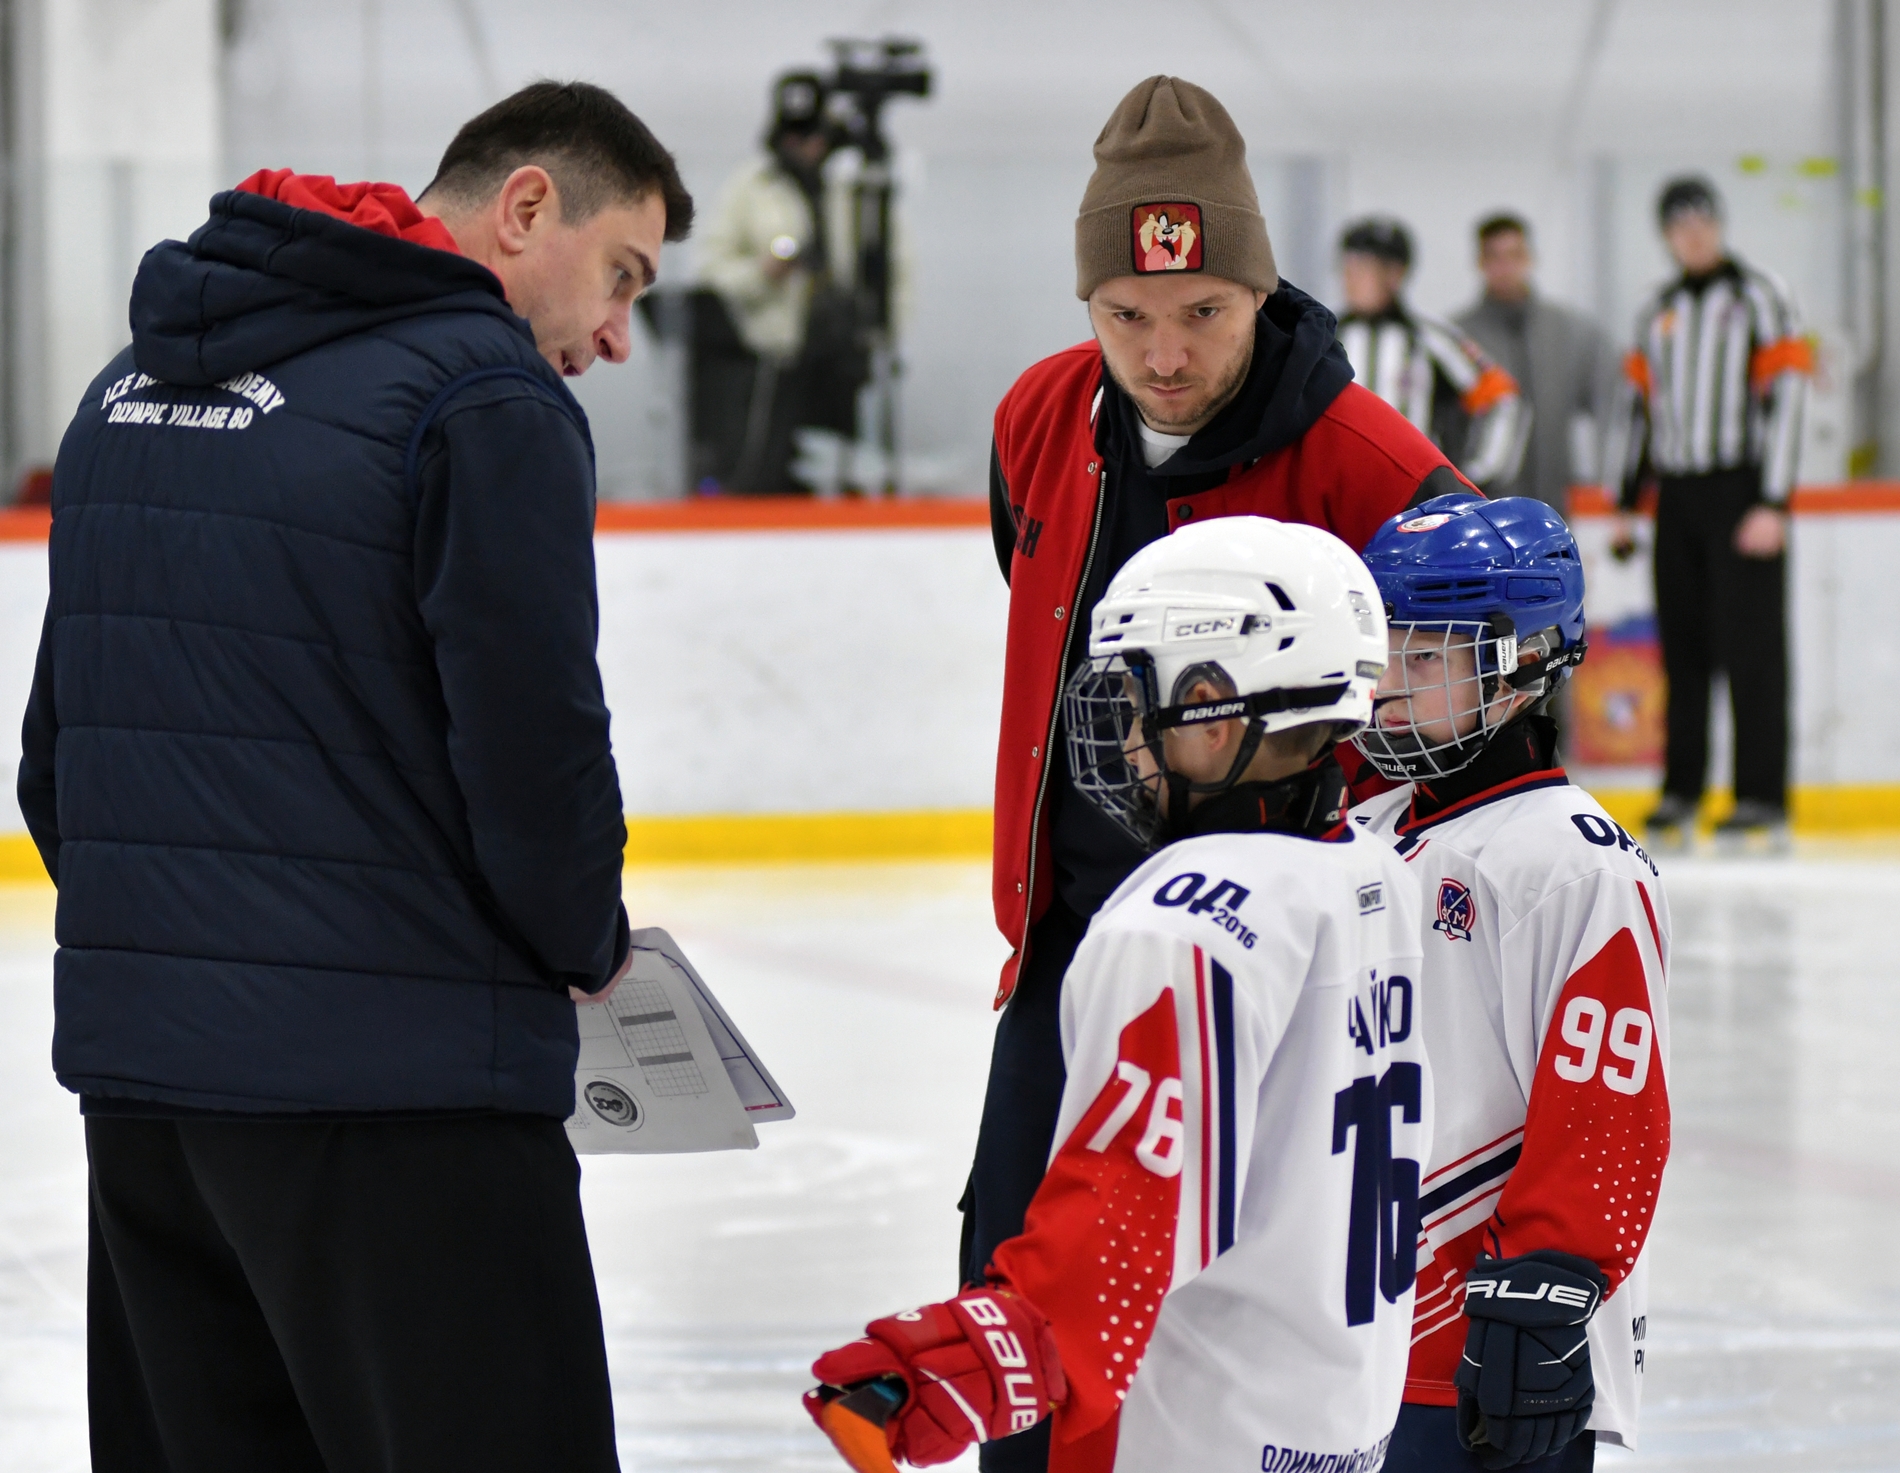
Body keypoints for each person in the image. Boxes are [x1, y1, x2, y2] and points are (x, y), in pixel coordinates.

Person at [16, 82, 693, 1472]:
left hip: (151, 1110)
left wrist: (204, 956)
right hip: (402, 1116)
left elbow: (54, 766)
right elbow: (534, 754)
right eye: (621, 275)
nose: (617, 336)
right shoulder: (478, 396)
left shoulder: (125, 389)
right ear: (525, 209)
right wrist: (585, 942)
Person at [973, 81, 1476, 1472]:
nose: (1165, 352)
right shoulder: (1037, 420)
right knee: (1019, 1316)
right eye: (1126, 314)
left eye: (1203, 310)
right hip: (1078, 951)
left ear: (1259, 287)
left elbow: (1469, 699)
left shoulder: (1372, 461)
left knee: (1239, 1345)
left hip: (1282, 976)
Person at [808, 516, 1428, 1473]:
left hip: (1190, 1434)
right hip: (1334, 1427)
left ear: (1213, 706)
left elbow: (1132, 1202)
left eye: (1139, 703)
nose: (1124, 741)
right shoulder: (1372, 872)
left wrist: (984, 1355)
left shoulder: (1187, 917)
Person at [1348, 494, 1672, 1472]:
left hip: (1489, 1343)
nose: (1389, 688)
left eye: (1427, 658)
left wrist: (1546, 1281)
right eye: (1382, 653)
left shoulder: (1572, 863)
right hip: (1359, 1335)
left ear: (1521, 665)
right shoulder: (1371, 826)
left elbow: (1606, 1100)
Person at [1604, 176, 1810, 851]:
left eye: (1702, 222)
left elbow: (1789, 398)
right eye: (1679, 224)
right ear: (1666, 235)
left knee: (1753, 648)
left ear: (1718, 226)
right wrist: (1628, 503)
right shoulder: (1655, 311)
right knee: (1682, 649)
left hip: (1742, 488)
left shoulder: (1760, 295)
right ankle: (1682, 789)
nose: (1692, 234)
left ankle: (1760, 795)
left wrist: (1774, 500)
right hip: (1680, 495)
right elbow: (1638, 412)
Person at [696, 71, 866, 493]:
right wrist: (764, 273)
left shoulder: (850, 190)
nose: (804, 147)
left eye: (812, 136)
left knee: (835, 472)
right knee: (764, 468)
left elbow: (889, 269)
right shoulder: (750, 188)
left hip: (839, 355)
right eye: (793, 137)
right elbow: (711, 271)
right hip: (769, 357)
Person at [1336, 217, 1529, 492]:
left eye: (1364, 267)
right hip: (1338, 495)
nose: (1350, 278)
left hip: (1414, 497)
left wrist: (1476, 475)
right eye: (1347, 266)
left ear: (1395, 274)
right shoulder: (1326, 338)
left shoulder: (1430, 337)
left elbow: (1502, 399)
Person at [1454, 214, 1611, 514]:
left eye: (1515, 255)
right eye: (1495, 257)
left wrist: (1608, 478)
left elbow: (1611, 399)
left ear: (1530, 259)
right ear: (1480, 263)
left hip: (1553, 507)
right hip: (1482, 511)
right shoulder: (1461, 340)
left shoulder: (1567, 332)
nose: (1506, 267)